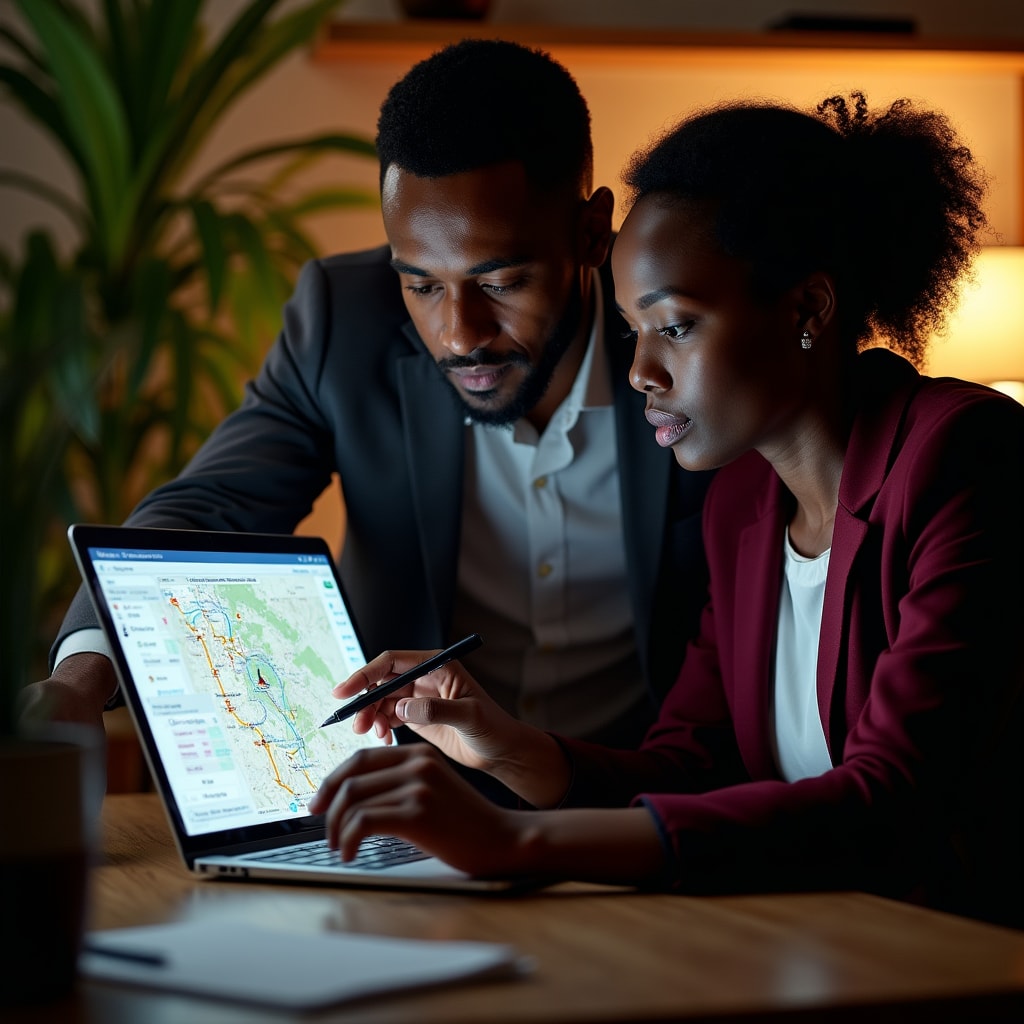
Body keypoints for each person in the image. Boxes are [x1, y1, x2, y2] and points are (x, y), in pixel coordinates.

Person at [308, 92, 1024, 927]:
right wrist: (510, 749)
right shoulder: (744, 506)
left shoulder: (966, 456)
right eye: (629, 329)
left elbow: (892, 799)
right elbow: (691, 767)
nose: (641, 370)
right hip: (806, 945)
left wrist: (517, 844)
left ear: (807, 310)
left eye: (675, 327)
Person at [24, 40, 713, 771]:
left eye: (503, 283)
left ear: (591, 231)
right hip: (406, 801)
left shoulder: (684, 345)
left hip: (633, 801)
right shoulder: (342, 322)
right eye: (420, 284)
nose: (459, 334)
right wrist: (78, 680)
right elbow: (210, 510)